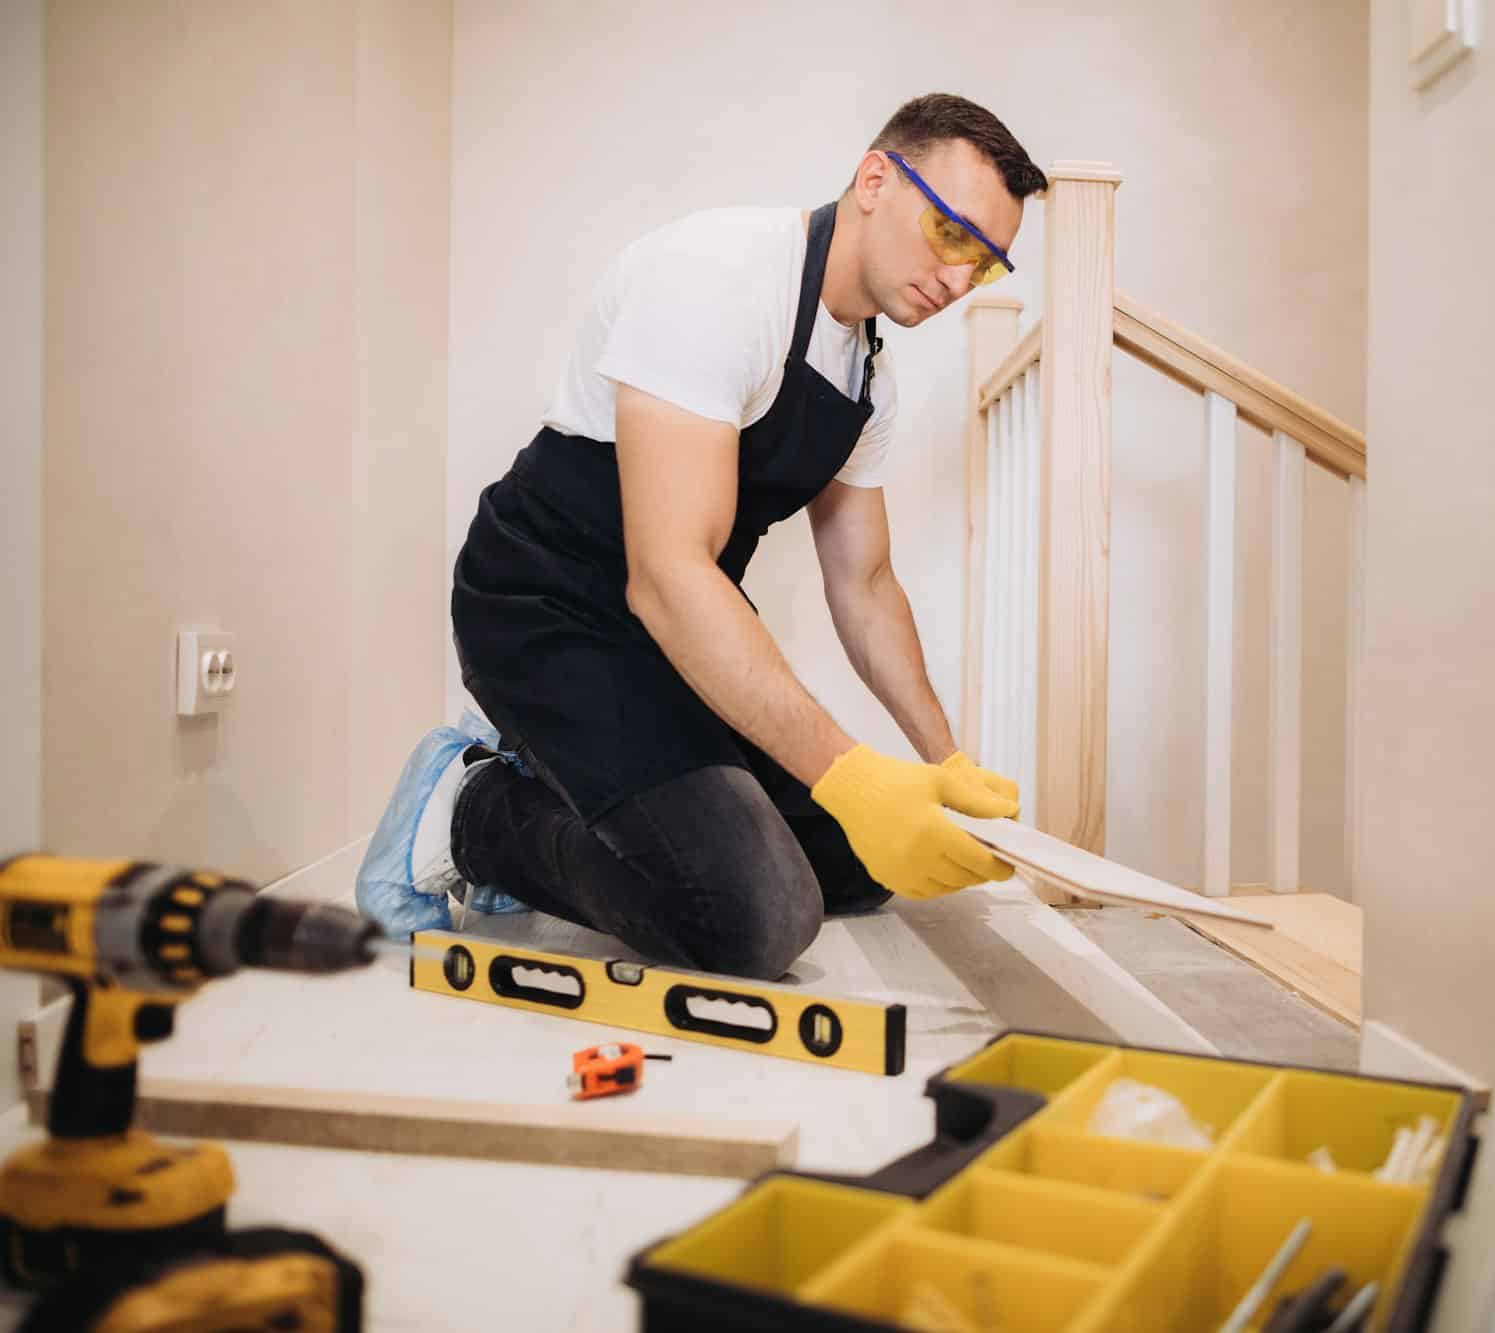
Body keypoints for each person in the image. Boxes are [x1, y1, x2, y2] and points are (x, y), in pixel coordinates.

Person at [356, 94, 1050, 980]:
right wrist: (852, 774)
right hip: (548, 607)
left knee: (855, 863)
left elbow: (867, 583)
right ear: (876, 179)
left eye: (984, 264)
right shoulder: (718, 280)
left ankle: (546, 772)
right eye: (952, 234)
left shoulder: (867, 378)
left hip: (670, 632)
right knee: (753, 914)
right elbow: (669, 573)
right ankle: (469, 809)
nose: (957, 280)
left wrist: (941, 760)